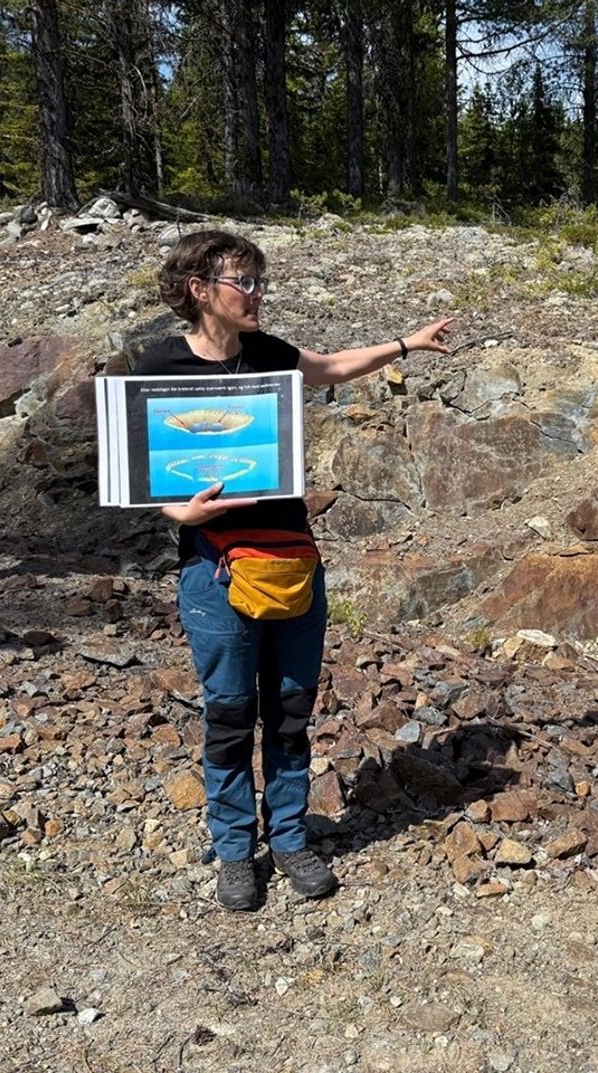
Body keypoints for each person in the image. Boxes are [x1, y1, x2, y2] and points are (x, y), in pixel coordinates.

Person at [136, 229, 454, 911]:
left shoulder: (272, 355)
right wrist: (178, 516)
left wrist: (407, 343)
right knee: (228, 715)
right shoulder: (158, 366)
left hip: (291, 561)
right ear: (200, 291)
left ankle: (288, 837)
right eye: (242, 282)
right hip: (214, 572)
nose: (256, 294)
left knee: (287, 713)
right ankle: (233, 850)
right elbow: (142, 471)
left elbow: (334, 367)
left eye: (259, 282)